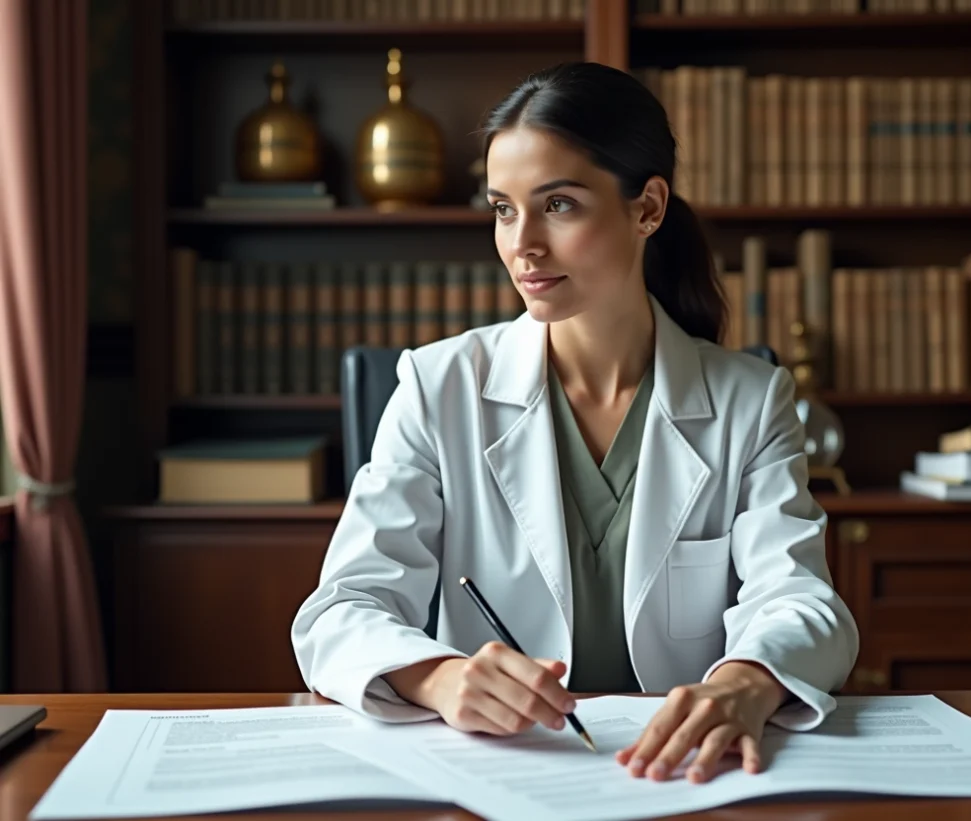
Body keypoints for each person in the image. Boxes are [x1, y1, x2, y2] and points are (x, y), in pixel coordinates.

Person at [291, 61, 859, 785]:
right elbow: (341, 607)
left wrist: (746, 679)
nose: (522, 244)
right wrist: (437, 677)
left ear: (647, 208)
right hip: (501, 774)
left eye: (557, 205)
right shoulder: (439, 387)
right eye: (503, 208)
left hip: (681, 777)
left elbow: (803, 600)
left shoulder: (750, 400)